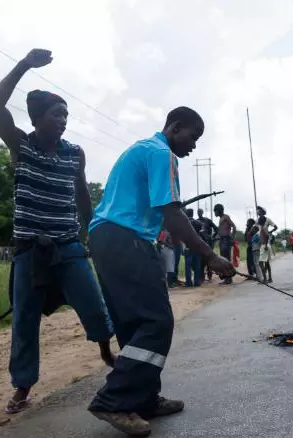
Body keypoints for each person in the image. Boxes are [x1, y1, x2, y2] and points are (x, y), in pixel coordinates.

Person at [87, 107, 235, 435]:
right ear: (175, 127)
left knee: (135, 324)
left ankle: (142, 399)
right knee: (157, 322)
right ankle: (113, 400)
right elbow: (170, 212)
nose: (194, 145)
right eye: (192, 137)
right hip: (128, 239)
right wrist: (210, 256)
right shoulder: (162, 154)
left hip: (105, 238)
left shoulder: (141, 149)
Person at [0, 48, 116, 415]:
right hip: (29, 249)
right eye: (57, 114)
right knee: (24, 318)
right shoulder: (21, 145)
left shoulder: (75, 153)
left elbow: (80, 193)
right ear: (37, 118)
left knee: (93, 304)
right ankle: (23, 385)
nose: (63, 120)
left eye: (65, 115)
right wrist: (24, 65)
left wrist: (92, 232)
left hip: (68, 245)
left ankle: (107, 351)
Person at [214, 204, 236, 285]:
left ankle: (229, 279)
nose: (214, 213)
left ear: (219, 210)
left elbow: (234, 227)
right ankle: (227, 278)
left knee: (226, 260)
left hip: (226, 240)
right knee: (223, 260)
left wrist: (232, 239)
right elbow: (221, 231)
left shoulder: (226, 217)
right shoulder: (221, 219)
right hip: (222, 240)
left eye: (215, 211)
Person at [197, 208, 218, 281]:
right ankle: (202, 276)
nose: (199, 213)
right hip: (200, 243)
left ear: (202, 212)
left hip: (209, 242)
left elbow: (216, 229)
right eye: (198, 212)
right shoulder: (196, 221)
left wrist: (212, 237)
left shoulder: (208, 221)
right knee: (201, 259)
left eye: (200, 212)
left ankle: (210, 275)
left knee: (209, 258)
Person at [184, 209, 203, 287]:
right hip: (196, 246)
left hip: (188, 246)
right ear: (193, 213)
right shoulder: (198, 223)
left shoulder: (184, 223)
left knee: (188, 266)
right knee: (197, 265)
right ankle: (197, 282)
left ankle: (188, 282)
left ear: (186, 214)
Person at [257, 217, 273, 283]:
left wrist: (265, 245)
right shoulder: (264, 227)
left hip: (264, 246)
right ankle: (270, 278)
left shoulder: (263, 228)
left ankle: (265, 279)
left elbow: (267, 236)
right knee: (267, 263)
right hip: (266, 245)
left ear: (260, 221)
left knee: (260, 263)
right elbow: (266, 236)